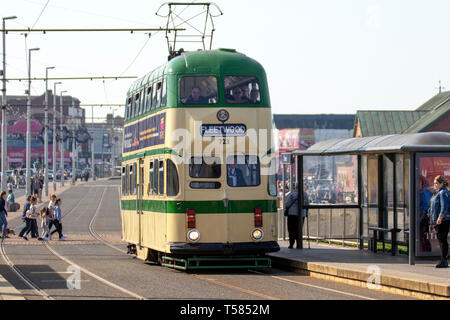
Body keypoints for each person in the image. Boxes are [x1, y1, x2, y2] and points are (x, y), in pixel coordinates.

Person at [429, 175, 450, 268]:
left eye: (436, 183)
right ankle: (443, 259)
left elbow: (444, 206)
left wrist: (440, 217)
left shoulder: (443, 193)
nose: (435, 185)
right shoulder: (437, 192)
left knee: (442, 240)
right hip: (437, 220)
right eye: (434, 183)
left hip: (443, 220)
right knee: (441, 239)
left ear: (442, 183)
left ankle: (444, 260)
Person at [284, 183, 309, 249]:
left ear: (296, 187)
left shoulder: (292, 194)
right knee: (299, 229)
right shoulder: (305, 194)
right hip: (301, 214)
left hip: (292, 214)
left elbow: (287, 204)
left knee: (291, 229)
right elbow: (307, 204)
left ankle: (291, 244)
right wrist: (306, 213)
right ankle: (299, 244)